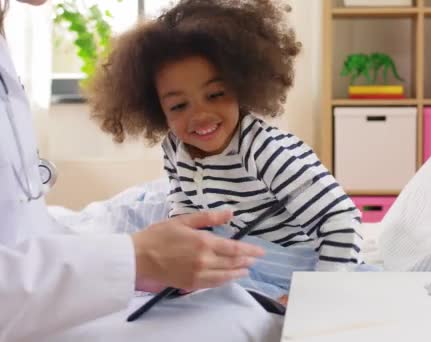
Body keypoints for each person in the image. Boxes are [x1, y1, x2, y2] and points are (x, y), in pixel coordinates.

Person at [0, 1, 269, 341]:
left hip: (45, 283)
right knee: (246, 319)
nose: (200, 114)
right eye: (177, 104)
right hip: (30, 306)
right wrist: (133, 260)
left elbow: (23, 225)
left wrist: (136, 259)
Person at [87, 0, 364, 301]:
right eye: (179, 105)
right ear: (158, 110)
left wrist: (320, 293)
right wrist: (189, 251)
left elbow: (340, 219)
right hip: (237, 261)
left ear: (242, 86)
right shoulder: (175, 146)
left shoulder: (266, 151)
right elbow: (185, 202)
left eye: (215, 94)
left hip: (297, 270)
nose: (200, 115)